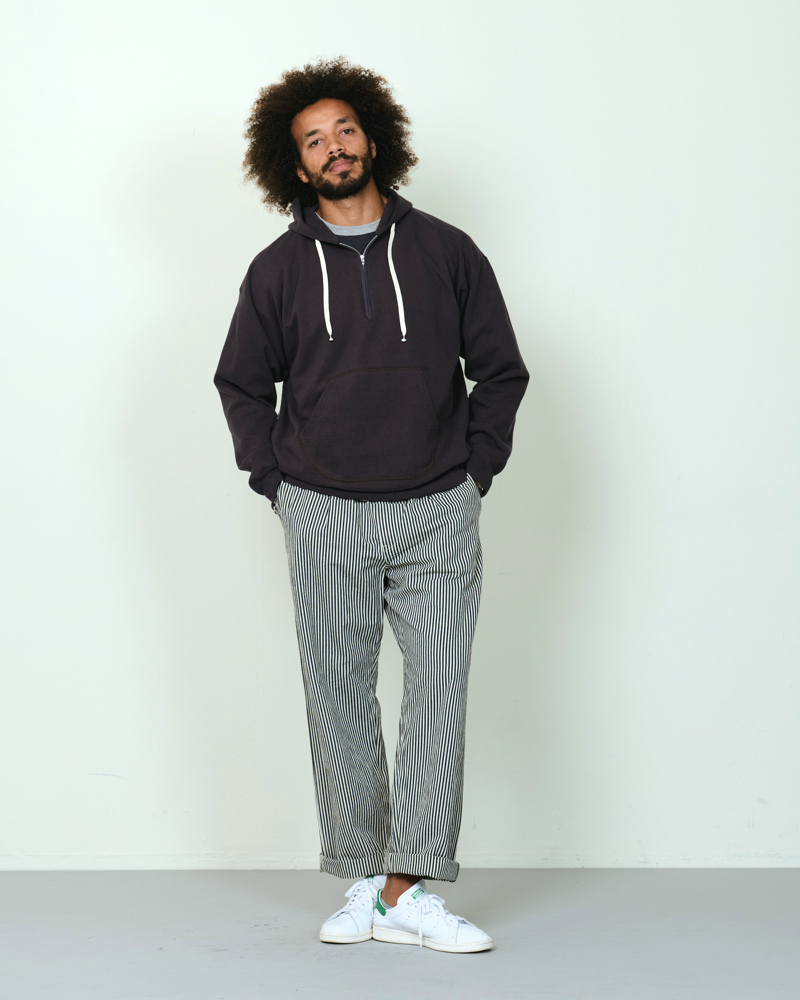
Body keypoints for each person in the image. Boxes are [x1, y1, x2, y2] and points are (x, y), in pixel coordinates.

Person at [214, 57, 529, 954]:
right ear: (295, 165)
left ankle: (406, 887)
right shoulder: (277, 270)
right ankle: (364, 877)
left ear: (374, 138)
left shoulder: (447, 252)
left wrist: (474, 474)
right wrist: (276, 484)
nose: (334, 147)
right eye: (314, 140)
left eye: (344, 129)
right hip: (323, 509)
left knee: (439, 694)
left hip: (436, 507)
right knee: (338, 695)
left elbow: (500, 371)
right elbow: (241, 384)